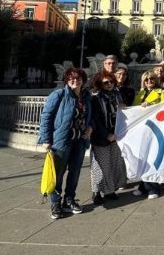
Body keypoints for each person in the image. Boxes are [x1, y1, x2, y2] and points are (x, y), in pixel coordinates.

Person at [38, 68, 92, 219]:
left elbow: (90, 116)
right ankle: (56, 203)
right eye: (71, 78)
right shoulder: (59, 95)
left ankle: (69, 200)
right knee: (58, 173)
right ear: (67, 81)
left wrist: (90, 128)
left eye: (78, 78)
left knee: (75, 173)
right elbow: (46, 116)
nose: (75, 81)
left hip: (80, 141)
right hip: (62, 140)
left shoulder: (86, 96)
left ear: (83, 79)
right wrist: (46, 139)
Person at [90, 73, 127, 205]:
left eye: (111, 82)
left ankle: (109, 191)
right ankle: (96, 192)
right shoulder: (95, 98)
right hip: (101, 137)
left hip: (116, 135)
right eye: (106, 82)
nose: (109, 84)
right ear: (100, 84)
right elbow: (95, 120)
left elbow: (122, 114)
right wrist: (106, 134)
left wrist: (123, 108)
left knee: (113, 163)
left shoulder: (117, 95)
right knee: (100, 166)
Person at [132, 71, 164, 199]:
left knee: (151, 157)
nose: (149, 81)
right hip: (142, 129)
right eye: (146, 79)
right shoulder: (140, 93)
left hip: (155, 128)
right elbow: (134, 109)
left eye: (151, 79)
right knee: (142, 157)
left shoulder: (161, 92)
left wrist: (150, 105)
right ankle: (143, 186)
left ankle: (153, 188)